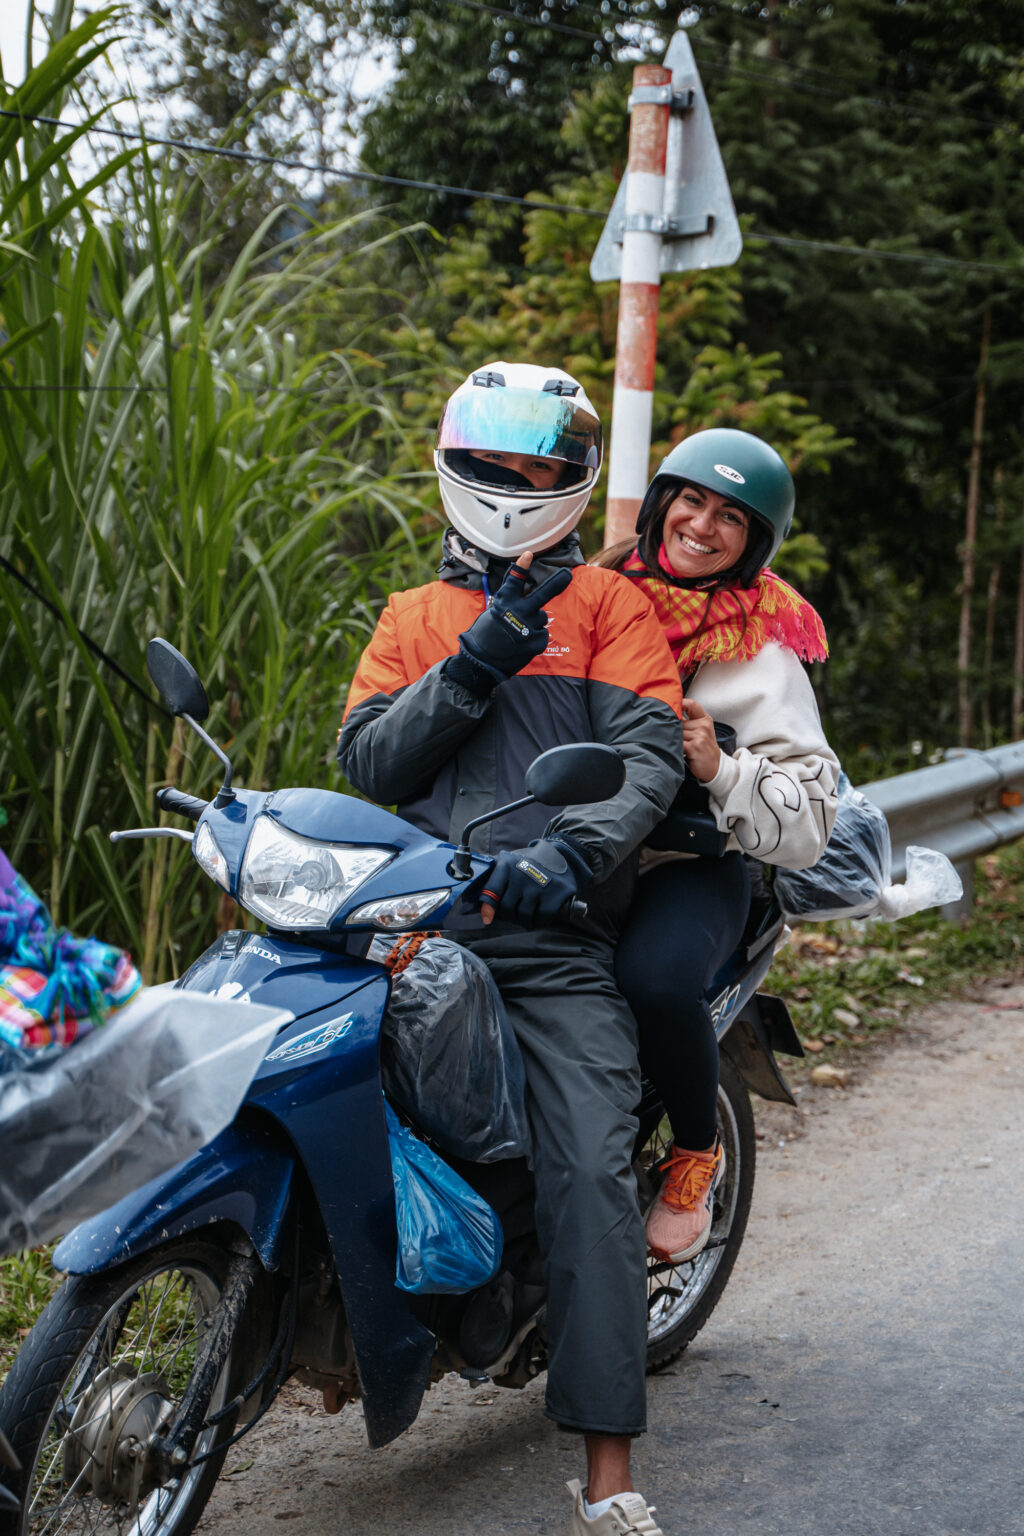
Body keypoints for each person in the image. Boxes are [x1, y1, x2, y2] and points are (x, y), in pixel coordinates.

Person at [337, 362, 685, 1535]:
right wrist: (477, 658)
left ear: (575, 483)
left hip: (544, 938)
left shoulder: (609, 608)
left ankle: (605, 1462)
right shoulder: (411, 618)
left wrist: (571, 855)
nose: (518, 482)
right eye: (497, 461)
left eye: (544, 466)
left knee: (589, 1165)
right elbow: (370, 767)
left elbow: (643, 760)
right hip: (411, 923)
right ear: (456, 463)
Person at [598, 427, 840, 1265]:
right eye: (693, 500)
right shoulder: (586, 592)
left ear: (753, 545)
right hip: (574, 849)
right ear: (662, 502)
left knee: (653, 979)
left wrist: (722, 766)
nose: (703, 526)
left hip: (689, 862)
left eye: (732, 518)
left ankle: (695, 1153)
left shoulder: (765, 648)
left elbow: (811, 818)